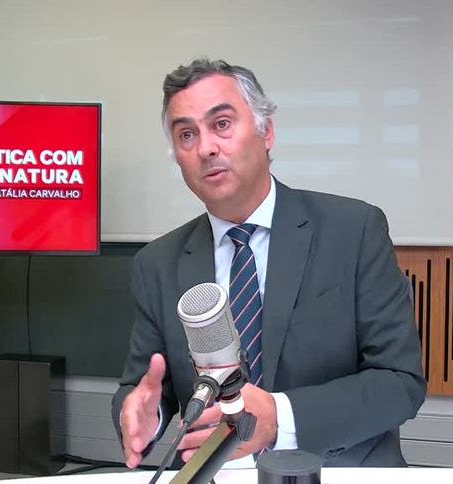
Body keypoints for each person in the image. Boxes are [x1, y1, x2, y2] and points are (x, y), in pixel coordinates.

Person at [111, 58, 426, 470]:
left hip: (335, 470)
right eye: (187, 134)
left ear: (266, 131)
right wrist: (144, 417)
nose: (206, 148)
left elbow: (399, 384)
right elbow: (144, 389)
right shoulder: (158, 263)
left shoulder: (353, 231)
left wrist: (280, 418)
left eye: (222, 124)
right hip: (215, 473)